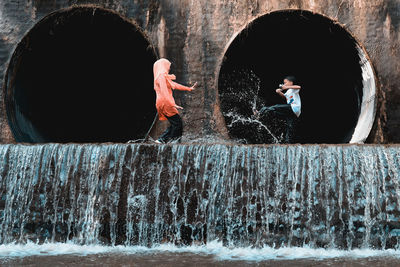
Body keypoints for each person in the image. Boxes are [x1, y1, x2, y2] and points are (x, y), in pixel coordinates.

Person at [153, 58, 197, 143]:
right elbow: (164, 91)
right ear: (163, 66)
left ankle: (163, 139)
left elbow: (174, 85)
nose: (169, 68)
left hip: (161, 103)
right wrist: (172, 104)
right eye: (168, 66)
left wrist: (189, 88)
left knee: (175, 123)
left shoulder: (161, 76)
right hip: (165, 103)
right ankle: (172, 141)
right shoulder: (161, 76)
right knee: (177, 123)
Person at [254, 76, 301, 143]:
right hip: (293, 113)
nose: (284, 84)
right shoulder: (288, 92)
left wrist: (286, 87)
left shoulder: (293, 89)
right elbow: (285, 97)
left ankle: (259, 113)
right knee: (289, 127)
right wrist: (279, 92)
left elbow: (299, 87)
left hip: (294, 107)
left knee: (275, 107)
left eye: (285, 82)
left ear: (291, 82)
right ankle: (288, 142)